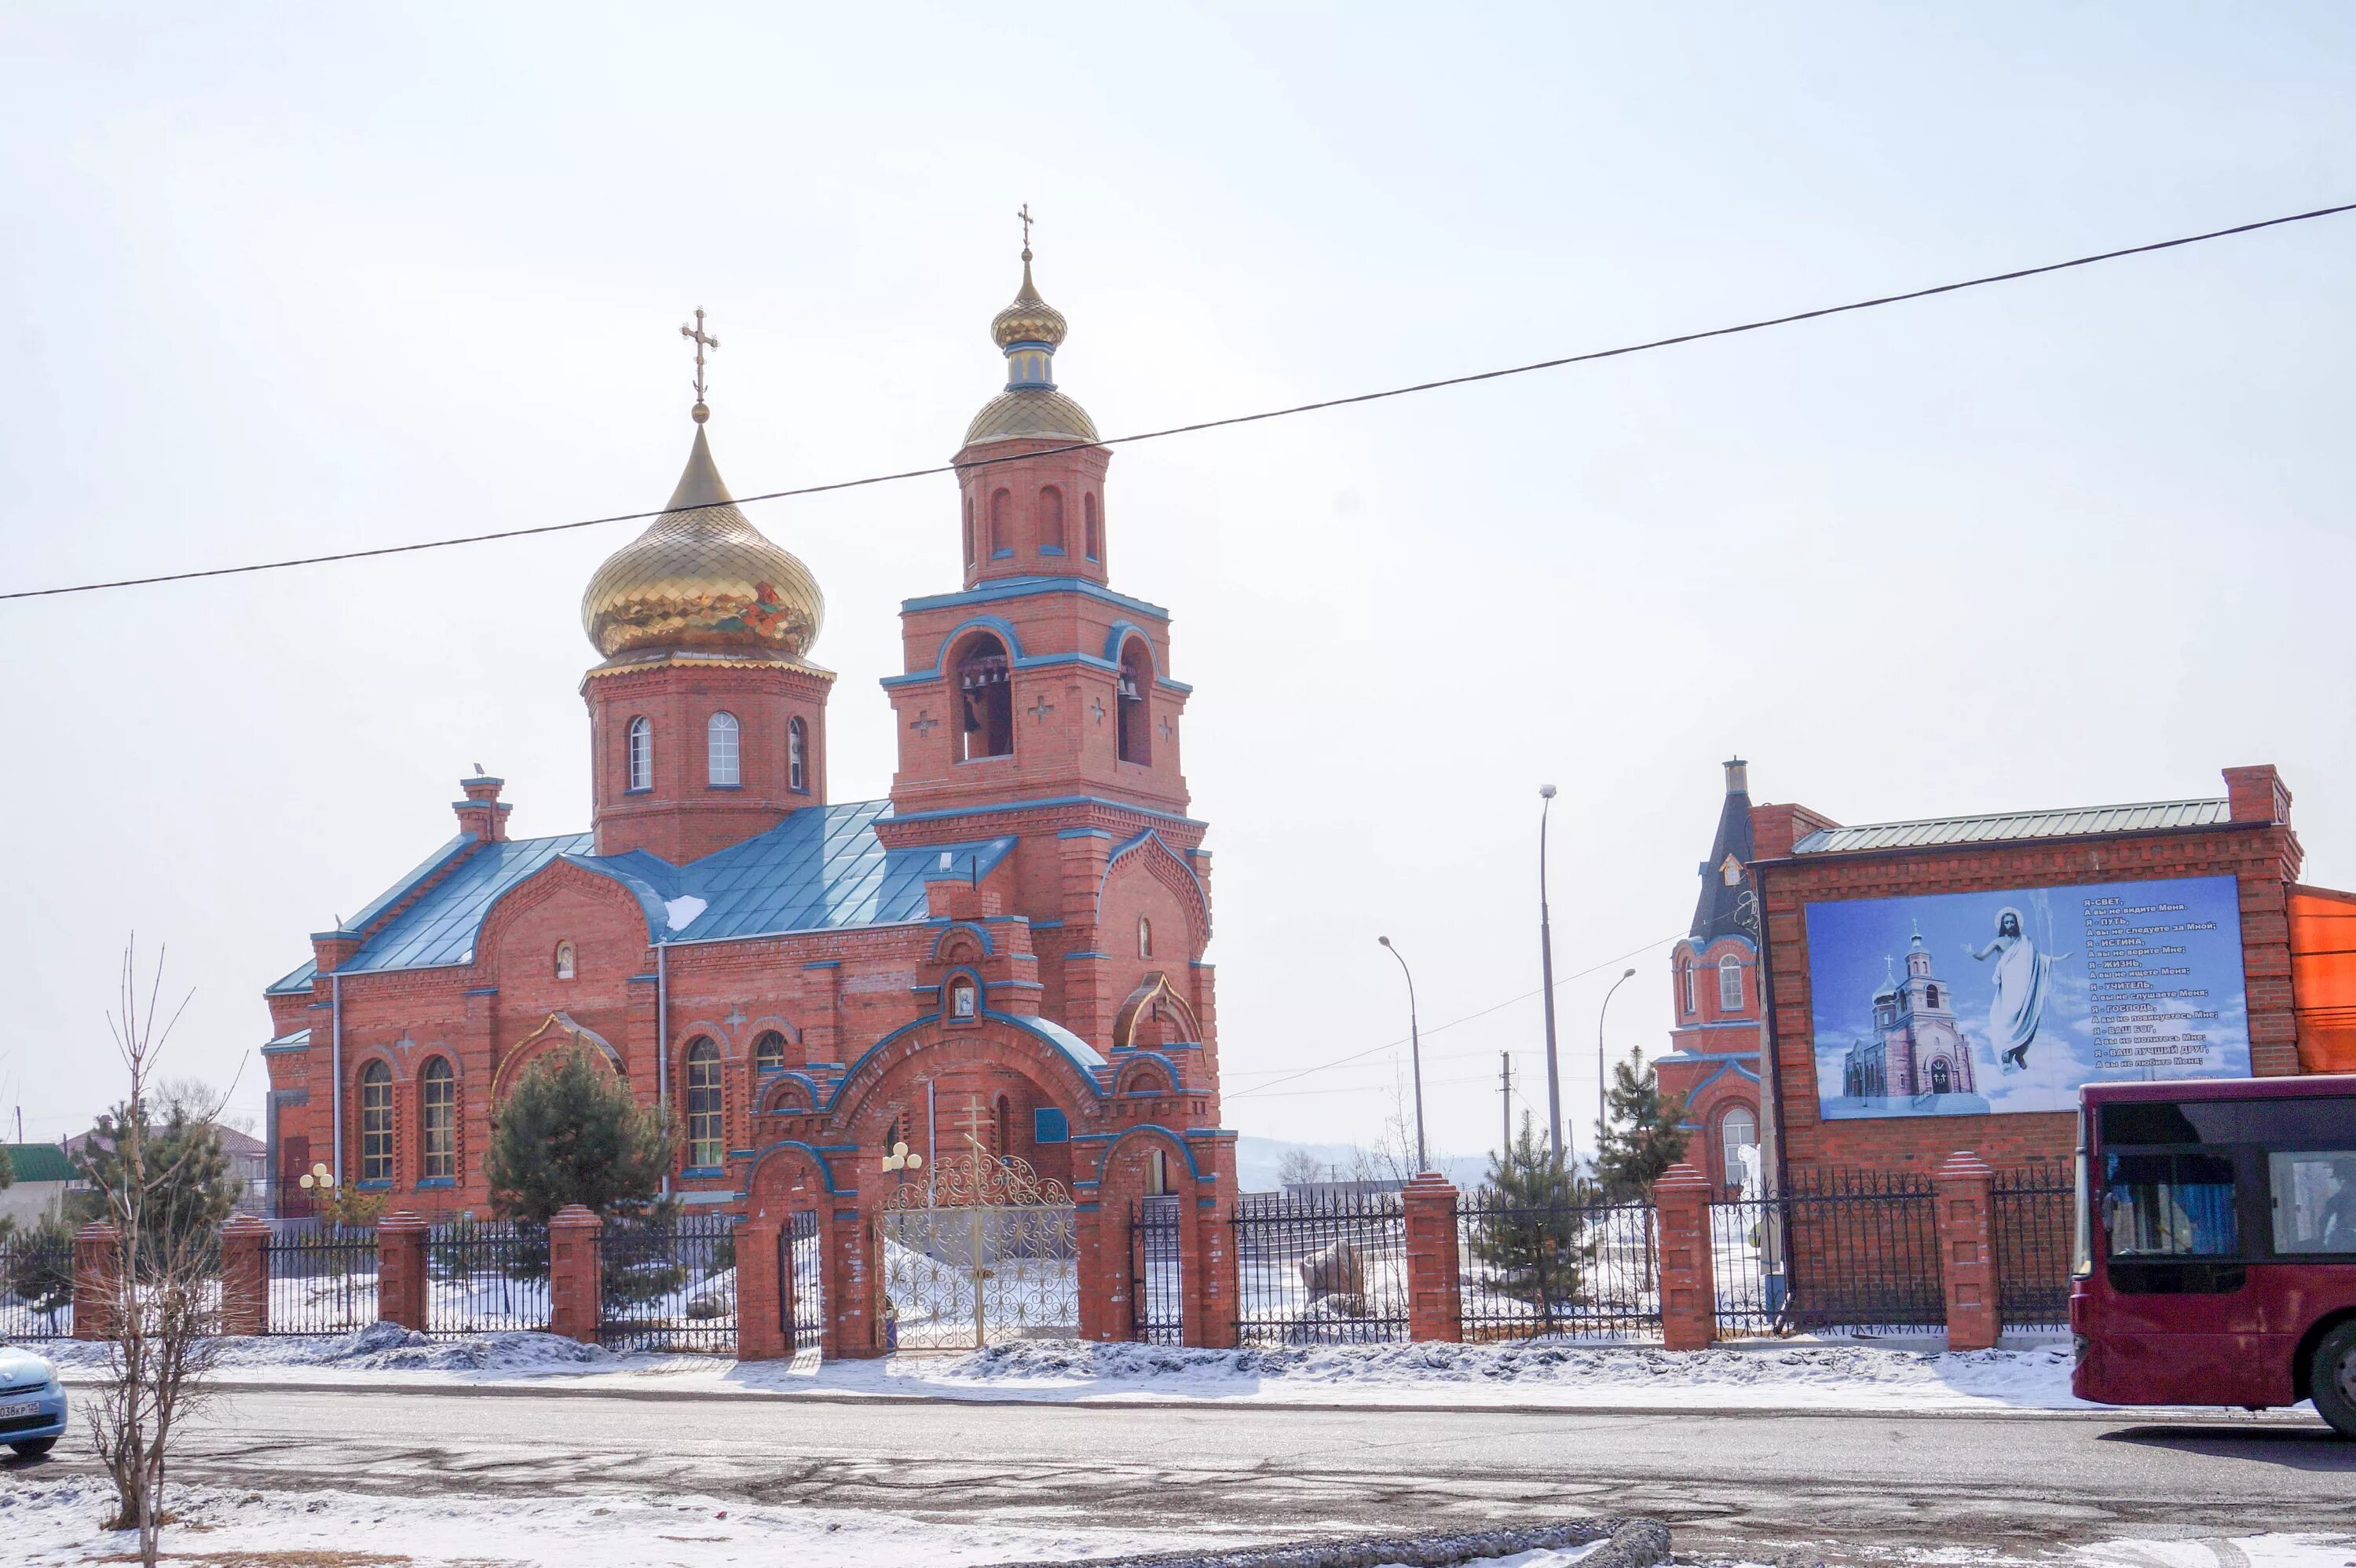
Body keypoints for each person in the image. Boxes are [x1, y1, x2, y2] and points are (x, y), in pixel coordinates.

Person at [1967, 908, 2071, 1073]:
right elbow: (1982, 956)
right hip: (2009, 985)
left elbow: (2039, 959)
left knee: (2028, 1018)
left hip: (2025, 985)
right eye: (2006, 922)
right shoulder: (1998, 942)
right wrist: (1972, 952)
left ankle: (2020, 1054)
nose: (2009, 925)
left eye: (2012, 922)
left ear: (2017, 924)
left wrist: (2059, 959)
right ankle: (2007, 1053)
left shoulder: (2025, 941)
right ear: (2003, 925)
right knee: (2009, 1018)